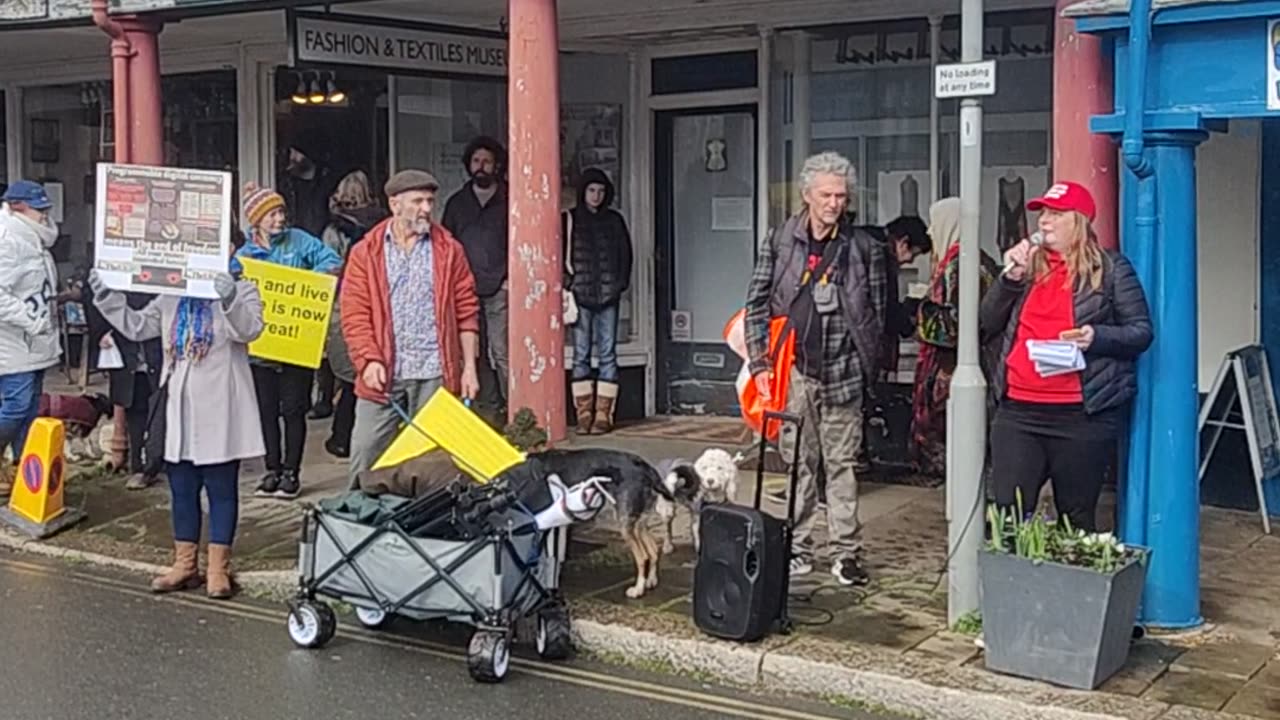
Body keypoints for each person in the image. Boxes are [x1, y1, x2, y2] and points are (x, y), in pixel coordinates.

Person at [743, 151, 885, 587]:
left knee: (841, 466)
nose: (834, 203)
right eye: (826, 194)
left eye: (841, 195)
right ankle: (798, 549)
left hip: (844, 372)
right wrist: (760, 363)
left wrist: (870, 368)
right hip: (795, 372)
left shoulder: (864, 248)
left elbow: (878, 315)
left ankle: (846, 554)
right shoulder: (780, 241)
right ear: (807, 196)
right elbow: (756, 304)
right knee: (799, 465)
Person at [88, 259, 265, 600]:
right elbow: (138, 327)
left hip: (220, 406)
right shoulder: (172, 295)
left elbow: (249, 330)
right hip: (180, 406)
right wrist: (108, 296)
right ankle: (185, 563)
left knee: (220, 488)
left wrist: (228, 299)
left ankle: (218, 568)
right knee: (181, 487)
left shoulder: (243, 288)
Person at [980, 181, 1152, 531]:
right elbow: (985, 323)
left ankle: (1065, 583)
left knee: (1075, 516)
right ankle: (1012, 583)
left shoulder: (1112, 269)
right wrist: (1009, 277)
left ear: (1079, 222)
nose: (1044, 221)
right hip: (1019, 410)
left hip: (1080, 415)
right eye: (1043, 213)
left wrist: (1097, 336)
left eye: (1055, 214)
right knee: (1007, 514)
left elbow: (1140, 331)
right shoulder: (1027, 269)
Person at [341, 169, 482, 485]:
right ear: (395, 204)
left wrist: (469, 368)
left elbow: (467, 312)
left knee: (433, 461)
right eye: (418, 201)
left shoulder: (449, 250)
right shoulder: (366, 252)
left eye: (430, 201)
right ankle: (352, 524)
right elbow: (354, 314)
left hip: (435, 371)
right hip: (384, 373)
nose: (426, 208)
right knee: (366, 451)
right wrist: (369, 360)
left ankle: (423, 527)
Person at [235, 183, 342, 500]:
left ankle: (292, 473)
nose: (279, 219)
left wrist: (308, 282)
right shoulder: (244, 255)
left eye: (281, 212)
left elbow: (332, 261)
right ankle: (272, 470)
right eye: (271, 214)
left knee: (294, 409)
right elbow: (232, 288)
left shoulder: (300, 241)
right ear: (257, 220)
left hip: (295, 344)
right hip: (261, 348)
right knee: (266, 411)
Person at [909, 198, 999, 477]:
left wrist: (920, 309)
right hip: (961, 368)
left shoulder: (960, 264)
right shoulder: (976, 260)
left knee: (957, 450)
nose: (930, 233)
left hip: (953, 371)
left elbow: (956, 325)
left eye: (935, 224)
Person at [442, 136, 509, 422]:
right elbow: (445, 244)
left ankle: (517, 412)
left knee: (502, 351)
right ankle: (488, 412)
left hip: (501, 289)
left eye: (487, 162)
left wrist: (509, 279)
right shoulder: (457, 203)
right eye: (476, 161)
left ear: (497, 166)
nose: (481, 167)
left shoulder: (510, 198)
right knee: (475, 353)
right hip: (466, 290)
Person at [0, 181, 61, 495]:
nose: (46, 216)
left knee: (32, 408)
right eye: (40, 210)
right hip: (13, 341)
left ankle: (24, 472)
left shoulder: (34, 239)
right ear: (17, 207)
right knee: (16, 405)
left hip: (36, 338)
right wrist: (30, 320)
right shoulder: (7, 238)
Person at [318, 170, 384, 457]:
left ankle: (341, 436)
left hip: (343, 306)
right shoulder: (383, 225)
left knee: (348, 376)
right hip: (377, 304)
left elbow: (327, 271)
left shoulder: (334, 232)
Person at [564, 168, 633, 435]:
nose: (596, 196)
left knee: (608, 355)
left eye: (601, 191)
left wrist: (619, 285)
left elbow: (626, 255)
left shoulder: (614, 221)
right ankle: (584, 414)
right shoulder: (569, 219)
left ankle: (603, 414)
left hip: (608, 296)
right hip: (580, 296)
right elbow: (561, 256)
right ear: (583, 192)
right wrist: (569, 285)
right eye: (592, 190)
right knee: (580, 355)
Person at [96, 292, 165, 489]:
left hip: (159, 355)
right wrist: (100, 333)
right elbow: (97, 304)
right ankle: (141, 468)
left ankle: (162, 462)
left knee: (165, 411)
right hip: (126, 357)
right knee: (135, 412)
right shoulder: (114, 282)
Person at [278, 132, 337, 238]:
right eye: (291, 151)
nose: (292, 157)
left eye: (297, 152)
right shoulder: (285, 183)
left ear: (309, 154)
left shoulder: (327, 183)